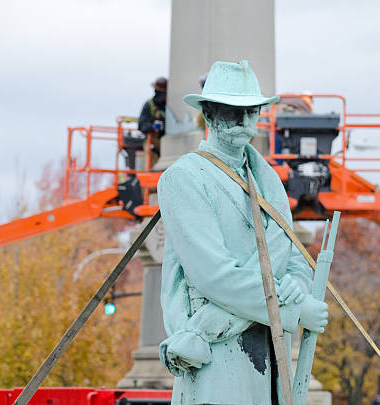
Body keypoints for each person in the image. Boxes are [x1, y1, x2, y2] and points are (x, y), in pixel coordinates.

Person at [157, 60, 328, 405]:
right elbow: (213, 276)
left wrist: (296, 285)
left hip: (268, 348)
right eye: (230, 111)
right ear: (208, 113)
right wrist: (292, 310)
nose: (243, 121)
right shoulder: (184, 177)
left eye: (251, 111)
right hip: (217, 356)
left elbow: (292, 255)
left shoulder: (267, 183)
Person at [138, 76, 167, 168]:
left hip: (167, 141)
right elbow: (142, 125)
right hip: (153, 143)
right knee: (152, 160)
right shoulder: (149, 105)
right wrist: (152, 126)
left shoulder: (169, 105)